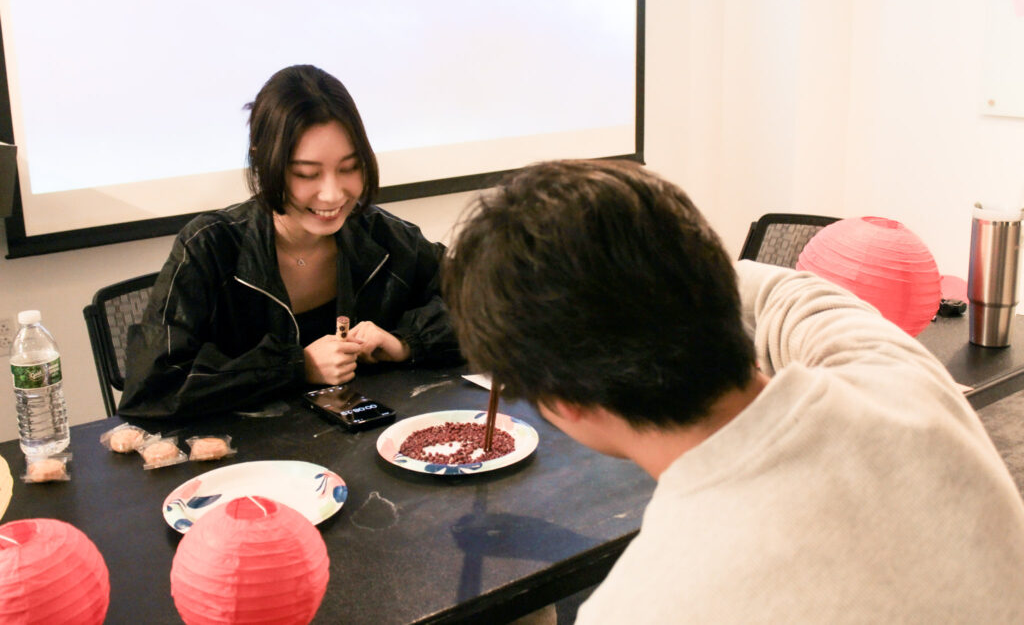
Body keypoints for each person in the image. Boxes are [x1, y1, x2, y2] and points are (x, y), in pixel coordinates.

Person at [442, 159, 1024, 622]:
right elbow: (795, 295)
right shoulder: (898, 375)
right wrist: (662, 267)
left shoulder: (642, 607)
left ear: (564, 401)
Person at [121, 65, 461, 418]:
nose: (332, 195)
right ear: (262, 161)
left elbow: (485, 303)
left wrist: (407, 342)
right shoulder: (209, 247)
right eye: (306, 174)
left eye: (349, 168)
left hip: (369, 445)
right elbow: (152, 387)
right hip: (247, 450)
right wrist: (296, 366)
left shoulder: (384, 237)